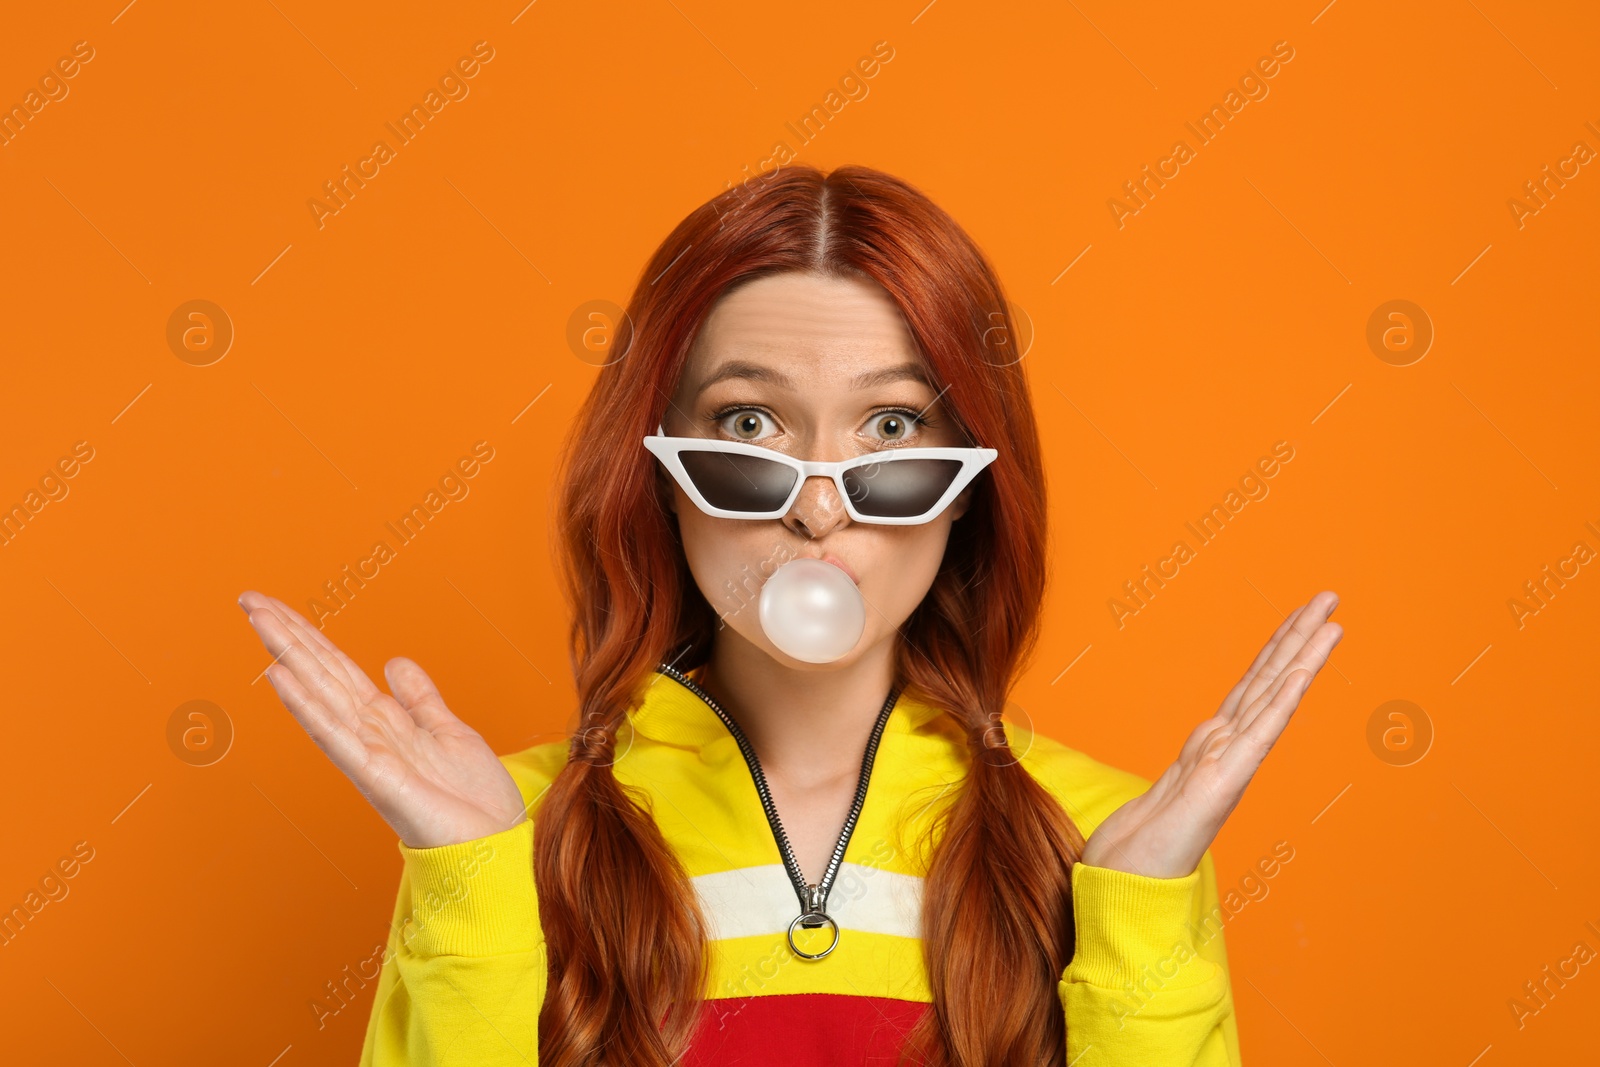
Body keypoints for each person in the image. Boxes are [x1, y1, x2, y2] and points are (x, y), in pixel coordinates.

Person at [238, 163, 1341, 1066]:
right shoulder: (497, 831)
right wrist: (470, 888)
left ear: (971, 492)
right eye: (749, 421)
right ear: (658, 473)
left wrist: (1142, 926)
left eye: (893, 430)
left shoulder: (1103, 838)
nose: (819, 506)